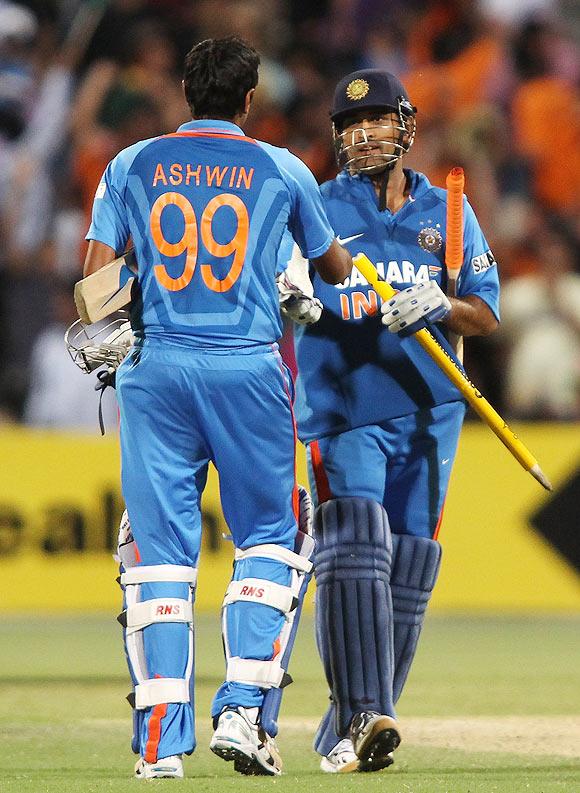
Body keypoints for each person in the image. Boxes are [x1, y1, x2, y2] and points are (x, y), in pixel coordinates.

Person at [81, 36, 352, 780]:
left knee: (157, 556)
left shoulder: (129, 164)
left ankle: (160, 746)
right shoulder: (284, 167)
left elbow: (94, 283)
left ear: (182, 90)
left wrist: (139, 305)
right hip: (248, 369)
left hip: (154, 368)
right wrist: (288, 270)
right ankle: (241, 708)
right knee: (271, 533)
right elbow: (335, 269)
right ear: (250, 97)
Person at [285, 68, 500, 772]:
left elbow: (486, 312)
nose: (364, 133)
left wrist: (442, 306)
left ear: (405, 126)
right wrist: (293, 296)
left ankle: (353, 727)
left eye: (377, 119)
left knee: (409, 567)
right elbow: (281, 289)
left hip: (431, 414)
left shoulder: (451, 212)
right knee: (354, 553)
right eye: (351, 125)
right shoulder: (313, 208)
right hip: (347, 407)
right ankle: (363, 718)